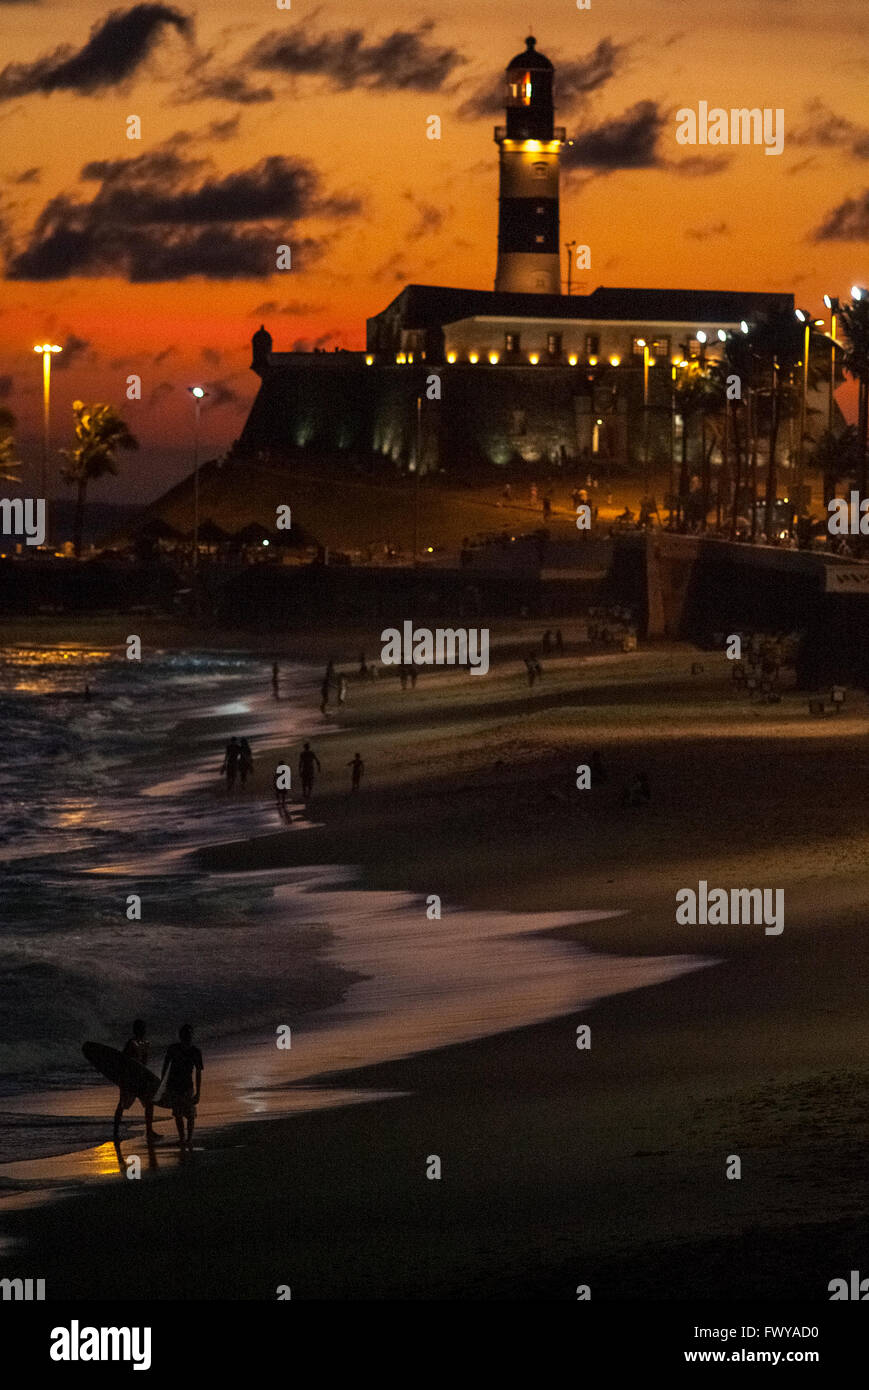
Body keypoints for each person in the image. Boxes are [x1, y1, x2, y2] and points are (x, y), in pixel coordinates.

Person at [160, 1024, 203, 1151]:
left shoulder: (195, 1051)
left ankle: (188, 1138)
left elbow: (198, 1072)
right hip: (174, 1085)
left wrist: (199, 1092)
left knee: (189, 1115)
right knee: (178, 1114)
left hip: (186, 1086)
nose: (187, 1037)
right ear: (181, 1036)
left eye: (189, 1035)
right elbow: (165, 1068)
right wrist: (163, 1087)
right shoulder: (173, 1049)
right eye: (186, 1035)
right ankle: (183, 1138)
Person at [113, 1019, 156, 1143]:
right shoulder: (131, 1043)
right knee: (122, 1105)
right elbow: (123, 1060)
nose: (143, 1031)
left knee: (149, 1103)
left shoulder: (145, 1044)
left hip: (141, 1079)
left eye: (143, 1028)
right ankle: (115, 1133)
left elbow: (144, 1064)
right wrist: (123, 1078)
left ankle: (149, 1131)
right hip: (129, 1080)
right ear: (136, 1030)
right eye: (141, 1028)